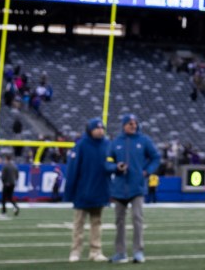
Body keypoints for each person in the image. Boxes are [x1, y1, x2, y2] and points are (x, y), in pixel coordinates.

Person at [108, 113, 160, 264]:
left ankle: (138, 251)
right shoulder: (116, 142)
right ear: (124, 125)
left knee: (137, 219)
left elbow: (155, 157)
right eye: (130, 123)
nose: (133, 125)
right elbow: (107, 161)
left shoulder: (144, 140)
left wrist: (147, 171)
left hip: (136, 186)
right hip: (119, 187)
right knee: (119, 221)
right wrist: (115, 166)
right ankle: (120, 252)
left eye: (135, 123)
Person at [64, 118, 115, 262]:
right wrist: (70, 191)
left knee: (97, 222)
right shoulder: (81, 145)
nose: (100, 130)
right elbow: (73, 169)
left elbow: (110, 167)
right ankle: (75, 252)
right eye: (97, 128)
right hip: (82, 191)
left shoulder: (107, 145)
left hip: (100, 190)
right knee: (78, 223)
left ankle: (96, 251)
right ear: (90, 129)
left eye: (102, 128)